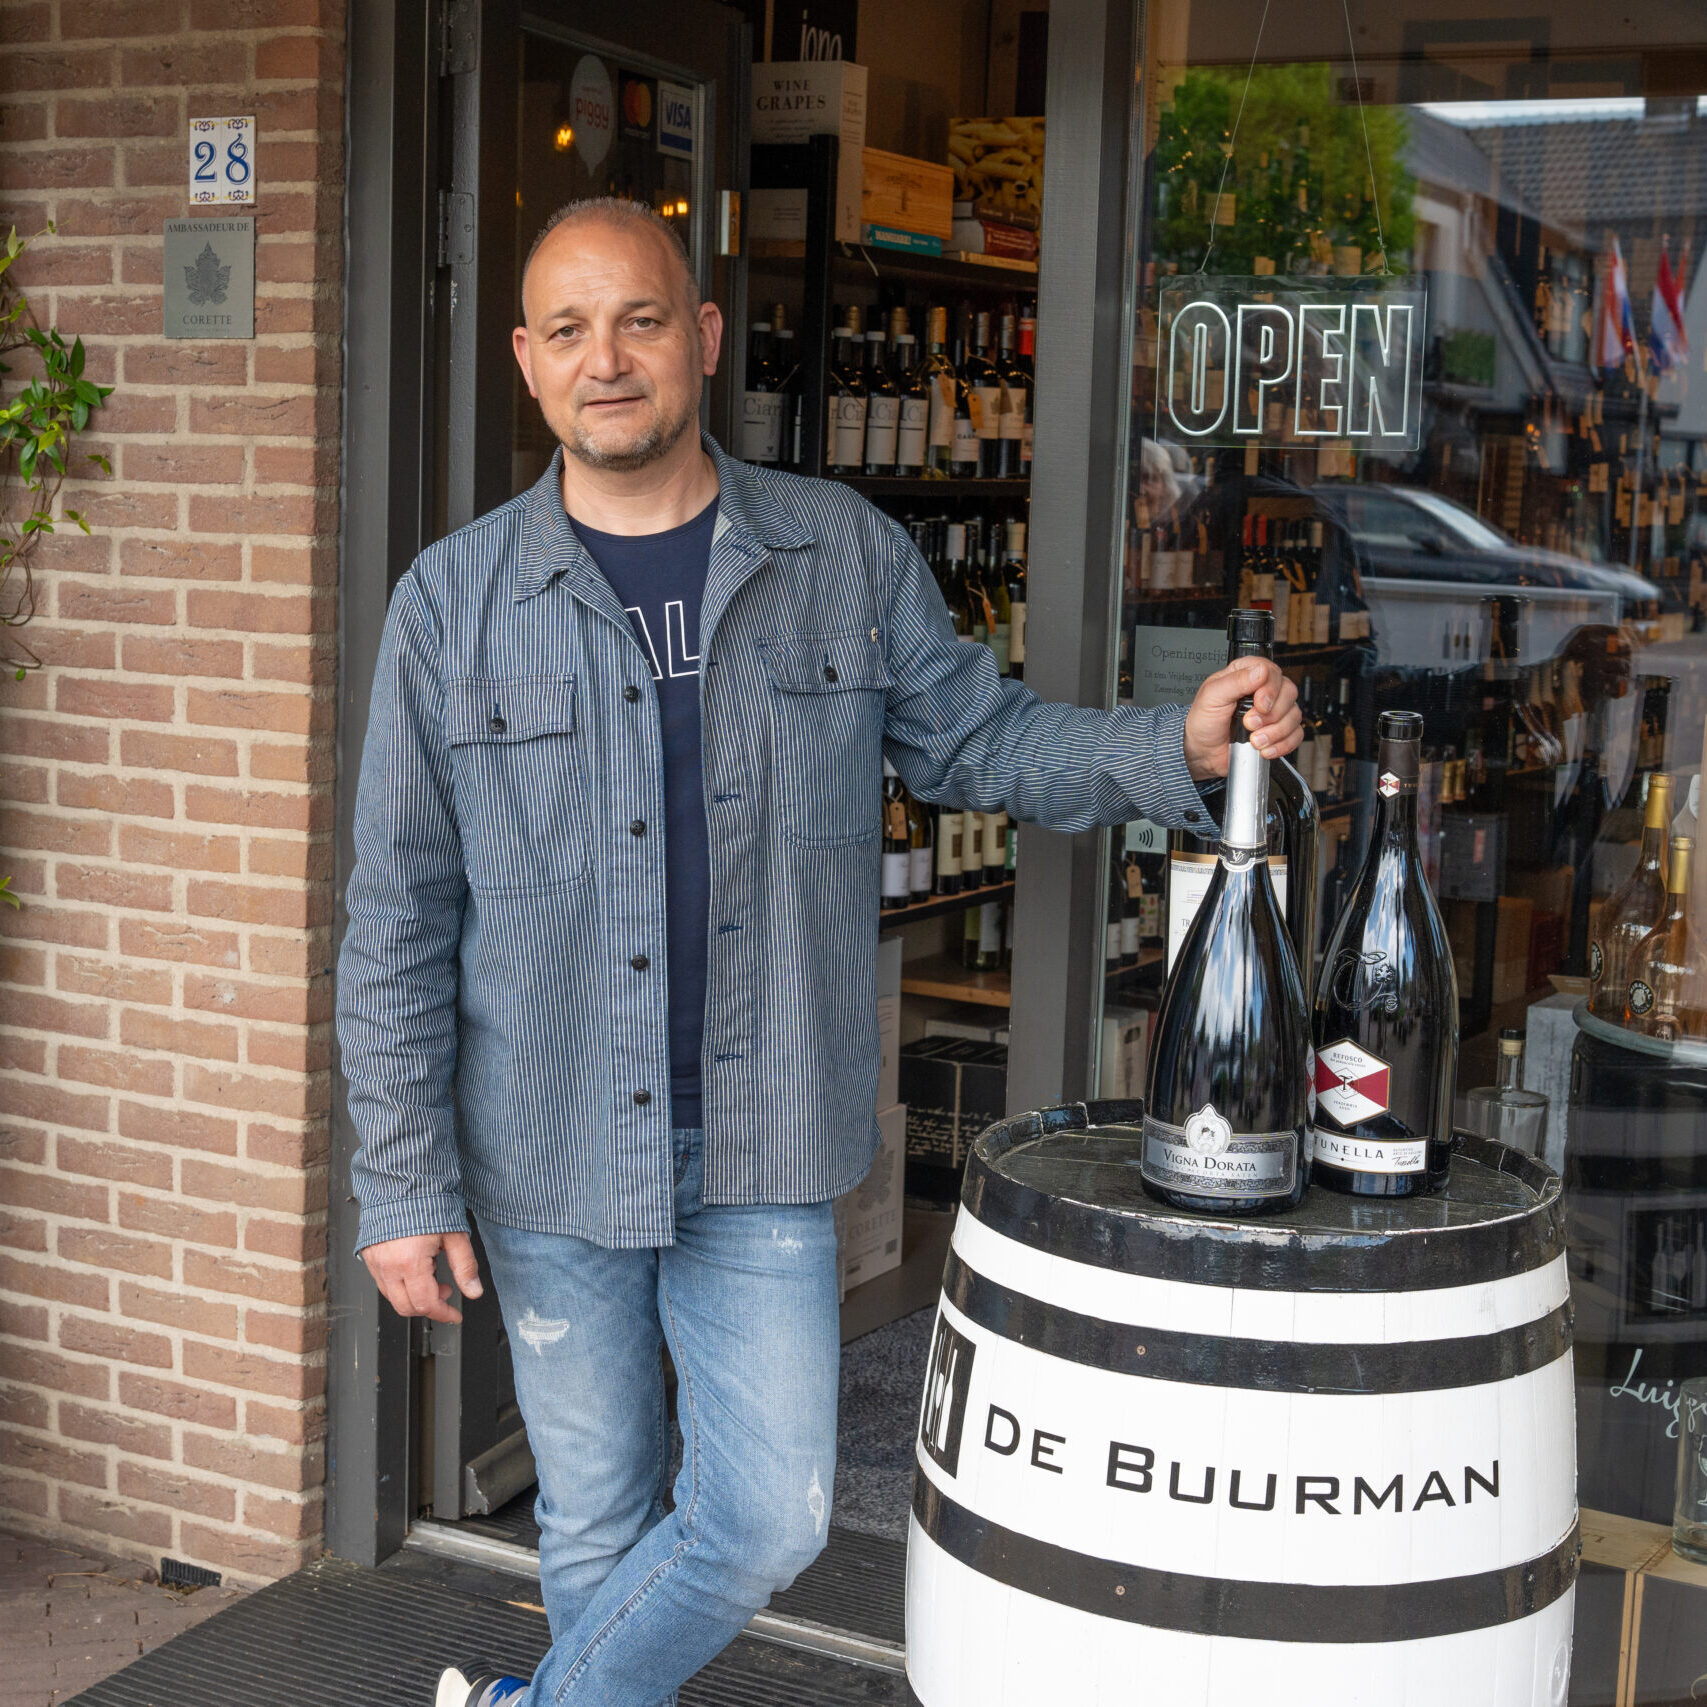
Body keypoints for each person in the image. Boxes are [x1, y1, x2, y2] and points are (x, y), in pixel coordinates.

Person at [335, 197, 1302, 1707]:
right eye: (570, 331)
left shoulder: (837, 552)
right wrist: (401, 1180)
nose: (607, 361)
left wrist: (1166, 744)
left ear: (704, 336)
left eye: (640, 321)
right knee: (592, 1522)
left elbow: (978, 741)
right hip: (544, 1143)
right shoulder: (452, 605)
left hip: (763, 1139)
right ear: (527, 361)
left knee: (769, 1517)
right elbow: (398, 910)